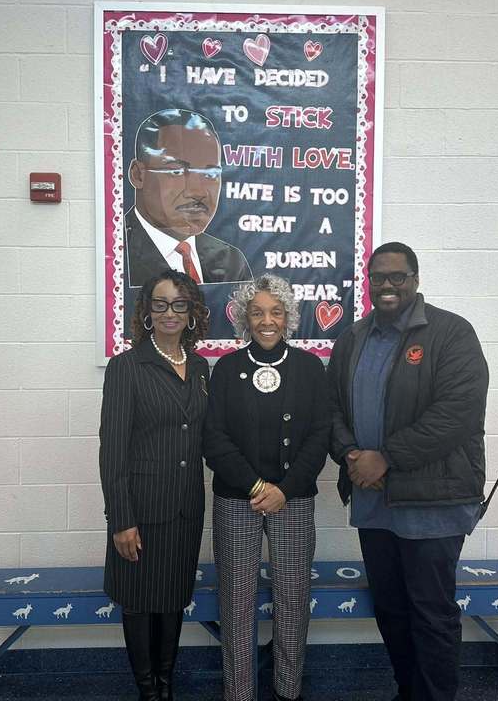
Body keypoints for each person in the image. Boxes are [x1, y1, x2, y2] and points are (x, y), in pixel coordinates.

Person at [327, 241, 489, 701]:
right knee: (392, 609)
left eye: (397, 276)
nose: (387, 285)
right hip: (373, 500)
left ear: (415, 280)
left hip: (433, 501)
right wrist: (353, 456)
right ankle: (408, 690)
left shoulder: (452, 333)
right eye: (378, 277)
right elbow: (331, 407)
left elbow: (456, 413)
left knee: (431, 612)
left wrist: (386, 457)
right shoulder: (354, 338)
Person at [204, 274, 330, 701]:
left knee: (293, 600)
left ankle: (287, 690)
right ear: (244, 317)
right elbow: (214, 438)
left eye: (275, 311)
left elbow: (320, 435)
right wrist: (258, 484)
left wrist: (285, 488)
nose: (266, 320)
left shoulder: (311, 368)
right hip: (236, 499)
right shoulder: (225, 368)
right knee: (236, 604)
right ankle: (239, 693)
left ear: (289, 316)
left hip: (292, 500)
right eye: (256, 312)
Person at [99, 269, 211, 701]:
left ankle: (167, 683)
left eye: (179, 304)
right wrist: (121, 520)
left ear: (191, 312)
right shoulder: (127, 366)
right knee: (141, 602)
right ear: (146, 311)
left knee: (173, 598)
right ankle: (147, 690)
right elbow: (113, 451)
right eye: (160, 304)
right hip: (141, 511)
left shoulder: (201, 367)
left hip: (186, 507)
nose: (169, 313)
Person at [125, 108, 252, 287]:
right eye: (176, 171)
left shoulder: (231, 262)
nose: (197, 191)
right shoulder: (116, 254)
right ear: (138, 175)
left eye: (210, 174)